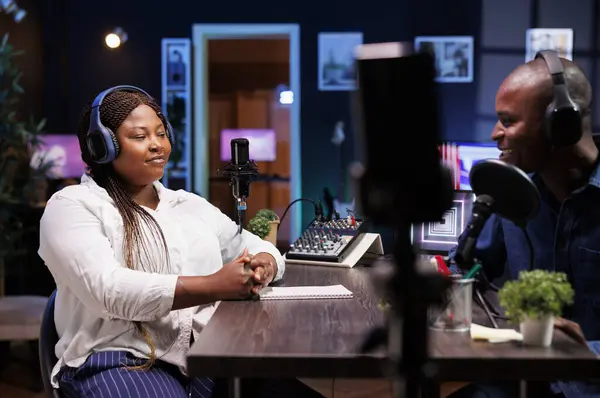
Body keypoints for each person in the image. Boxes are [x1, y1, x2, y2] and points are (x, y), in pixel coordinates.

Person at [38, 86, 325, 398]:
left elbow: (252, 244)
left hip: (206, 354)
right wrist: (215, 284)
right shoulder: (72, 205)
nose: (157, 145)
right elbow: (108, 291)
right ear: (101, 147)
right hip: (117, 358)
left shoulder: (189, 204)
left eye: (161, 134)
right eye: (139, 136)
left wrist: (266, 264)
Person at [448, 53, 600, 398]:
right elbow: (469, 267)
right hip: (523, 382)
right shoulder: (511, 193)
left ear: (559, 126)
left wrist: (587, 351)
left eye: (508, 121)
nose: (495, 133)